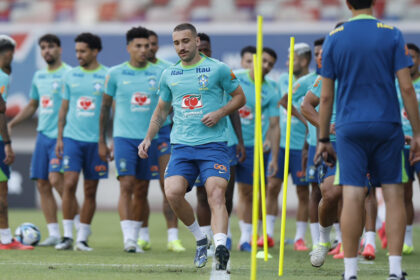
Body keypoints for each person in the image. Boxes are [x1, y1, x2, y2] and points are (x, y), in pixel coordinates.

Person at [316, 1, 420, 279]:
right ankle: (395, 271)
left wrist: (323, 137)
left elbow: (325, 97)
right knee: (394, 194)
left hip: (349, 127)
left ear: (347, 4)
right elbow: (407, 88)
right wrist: (419, 133)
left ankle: (350, 272)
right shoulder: (392, 33)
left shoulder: (334, 37)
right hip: (387, 124)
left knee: (352, 195)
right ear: (374, 2)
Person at [138, 23, 245, 270]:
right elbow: (161, 111)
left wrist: (219, 113)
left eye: (185, 41)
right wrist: (148, 138)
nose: (180, 47)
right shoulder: (169, 74)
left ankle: (220, 247)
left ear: (197, 42)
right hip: (182, 147)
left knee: (216, 194)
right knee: (173, 193)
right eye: (176, 43)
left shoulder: (218, 69)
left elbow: (240, 98)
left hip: (214, 145)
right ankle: (200, 239)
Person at [8, 34, 80, 246]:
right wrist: (12, 123)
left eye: (50, 47)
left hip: (63, 136)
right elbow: (33, 105)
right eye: (43, 48)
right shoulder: (39, 76)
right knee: (42, 183)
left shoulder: (69, 74)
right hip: (42, 136)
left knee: (57, 180)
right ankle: (54, 233)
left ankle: (78, 226)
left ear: (59, 49)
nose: (47, 51)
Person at [55, 33, 108, 251]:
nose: (78, 55)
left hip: (95, 142)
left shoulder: (107, 76)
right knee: (68, 184)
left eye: (83, 51)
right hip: (72, 139)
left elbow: (110, 111)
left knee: (90, 189)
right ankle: (67, 235)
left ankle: (82, 238)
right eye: (76, 51)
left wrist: (105, 140)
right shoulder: (70, 76)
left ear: (95, 51)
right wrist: (59, 137)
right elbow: (64, 109)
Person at [135, 29, 185, 253]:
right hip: (139, 134)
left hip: (164, 134)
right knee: (140, 187)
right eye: (146, 44)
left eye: (153, 44)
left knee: (168, 186)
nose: (150, 48)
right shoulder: (131, 70)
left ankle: (173, 237)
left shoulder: (168, 69)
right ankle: (142, 236)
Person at [194, 32, 246, 252]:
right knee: (201, 194)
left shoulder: (220, 71)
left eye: (206, 49)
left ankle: (224, 235)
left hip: (226, 142)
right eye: (200, 49)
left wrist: (240, 141)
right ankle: (205, 238)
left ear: (211, 50)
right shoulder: (183, 74)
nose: (203, 53)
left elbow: (234, 108)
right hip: (195, 142)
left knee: (225, 193)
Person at [265, 43, 312, 251]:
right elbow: (279, 106)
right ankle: (267, 235)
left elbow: (307, 109)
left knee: (303, 192)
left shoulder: (313, 82)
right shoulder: (283, 79)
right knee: (272, 187)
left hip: (301, 146)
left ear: (303, 61)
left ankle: (300, 237)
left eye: (291, 59)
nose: (287, 63)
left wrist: (306, 123)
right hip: (281, 146)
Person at [235, 47, 280, 252]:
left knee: (249, 191)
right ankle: (220, 234)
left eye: (270, 64)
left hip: (254, 146)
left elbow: (274, 125)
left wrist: (274, 157)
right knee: (222, 191)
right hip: (228, 141)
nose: (266, 66)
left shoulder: (271, 89)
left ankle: (246, 237)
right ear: (253, 60)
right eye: (263, 61)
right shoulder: (235, 77)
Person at [0, 35, 33, 250]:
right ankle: (5, 240)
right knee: (2, 192)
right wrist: (8, 143)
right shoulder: (2, 77)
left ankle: (5, 238)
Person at [396, 42, 420, 256]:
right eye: (406, 57)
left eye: (413, 57)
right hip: (399, 146)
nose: (409, 61)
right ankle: (407, 240)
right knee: (405, 194)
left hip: (419, 145)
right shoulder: (395, 84)